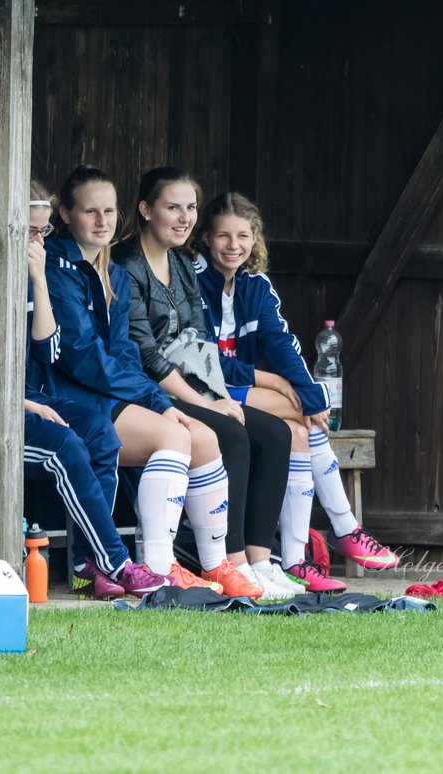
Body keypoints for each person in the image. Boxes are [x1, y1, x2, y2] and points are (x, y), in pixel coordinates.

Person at [0, 183, 169, 599]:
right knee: (62, 444)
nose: (40, 241)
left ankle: (85, 566)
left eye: (44, 232)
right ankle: (115, 562)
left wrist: (38, 280)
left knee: (98, 430)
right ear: (4, 226)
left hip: (22, 398)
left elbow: (49, 350)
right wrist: (27, 402)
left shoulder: (31, 269)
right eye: (32, 232)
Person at [38, 166, 260, 597]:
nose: (103, 222)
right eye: (90, 212)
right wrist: (156, 400)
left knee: (205, 438)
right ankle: (160, 565)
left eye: (109, 211)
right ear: (65, 214)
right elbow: (83, 359)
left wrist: (155, 398)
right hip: (70, 398)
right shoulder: (57, 269)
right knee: (174, 435)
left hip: (111, 394)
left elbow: (123, 354)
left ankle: (216, 567)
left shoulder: (113, 275)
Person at [193, 192, 400, 592]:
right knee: (293, 406)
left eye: (243, 235)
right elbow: (202, 359)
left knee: (303, 429)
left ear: (255, 239)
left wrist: (308, 394)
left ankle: (295, 560)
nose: (233, 245)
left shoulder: (256, 286)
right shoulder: (193, 280)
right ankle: (340, 530)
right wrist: (275, 383)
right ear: (206, 238)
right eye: (223, 236)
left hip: (239, 389)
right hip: (202, 390)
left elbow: (282, 344)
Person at [113, 167, 301, 599]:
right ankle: (229, 563)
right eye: (172, 207)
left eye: (191, 208)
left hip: (190, 386)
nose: (184, 218)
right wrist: (207, 403)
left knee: (274, 433)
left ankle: (258, 561)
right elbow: (146, 353)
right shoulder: (126, 263)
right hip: (150, 392)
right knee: (231, 433)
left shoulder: (181, 262)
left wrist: (217, 396)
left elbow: (200, 340)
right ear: (145, 210)